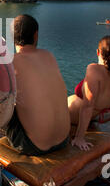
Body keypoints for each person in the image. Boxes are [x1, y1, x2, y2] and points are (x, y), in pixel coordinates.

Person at [6, 14, 70, 156]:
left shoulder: (10, 61)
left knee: (4, 101)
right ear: (36, 35)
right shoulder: (49, 55)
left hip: (33, 146)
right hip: (64, 139)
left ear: (13, 37)